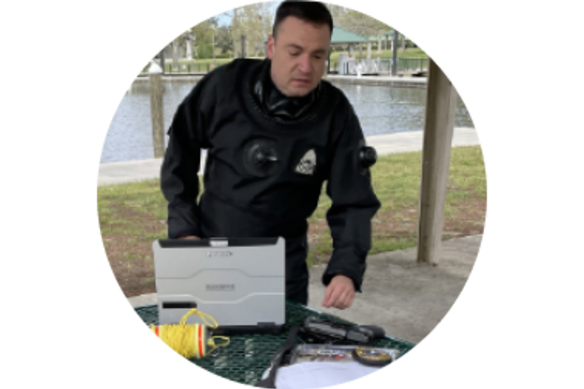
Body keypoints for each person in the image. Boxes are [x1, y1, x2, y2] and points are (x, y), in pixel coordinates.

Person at [160, 0, 381, 310]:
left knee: (280, 353)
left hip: (283, 264)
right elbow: (180, 148)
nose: (306, 66)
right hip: (210, 251)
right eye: (294, 52)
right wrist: (184, 229)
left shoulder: (336, 113)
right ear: (271, 46)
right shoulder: (224, 86)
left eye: (318, 55)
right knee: (202, 349)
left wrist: (346, 268)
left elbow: (354, 200)